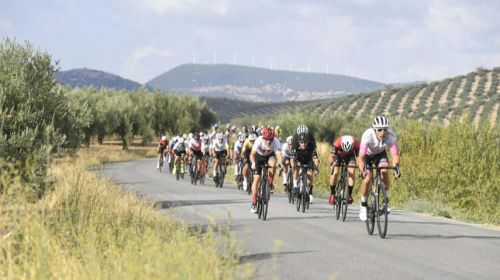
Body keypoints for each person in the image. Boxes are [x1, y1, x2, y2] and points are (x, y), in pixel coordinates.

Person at [357, 116, 401, 221]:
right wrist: (362, 170)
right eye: (379, 130)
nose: (382, 132)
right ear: (374, 130)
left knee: (385, 171)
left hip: (380, 155)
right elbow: (360, 157)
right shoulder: (367, 135)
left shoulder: (391, 136)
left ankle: (385, 200)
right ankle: (363, 206)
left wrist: (396, 168)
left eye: (385, 129)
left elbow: (395, 155)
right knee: (367, 179)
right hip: (367, 156)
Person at [249, 127, 282, 213]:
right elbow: (252, 154)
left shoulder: (276, 141)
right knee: (256, 179)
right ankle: (253, 201)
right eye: (266, 139)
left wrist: (280, 164)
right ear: (263, 137)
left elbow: (279, 155)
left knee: (273, 164)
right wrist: (253, 163)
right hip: (258, 158)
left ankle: (270, 183)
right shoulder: (259, 140)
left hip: (269, 156)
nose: (268, 141)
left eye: (270, 140)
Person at [290, 125, 319, 203]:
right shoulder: (295, 141)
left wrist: (316, 167)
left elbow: (315, 158)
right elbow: (292, 158)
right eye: (301, 142)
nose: (303, 144)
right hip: (298, 156)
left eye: (305, 142)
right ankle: (295, 185)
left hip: (309, 157)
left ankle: (307, 191)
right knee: (296, 169)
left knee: (310, 174)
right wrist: (293, 166)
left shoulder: (311, 142)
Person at [328, 135, 360, 205]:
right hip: (338, 156)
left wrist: (360, 167)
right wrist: (332, 162)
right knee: (335, 171)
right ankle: (332, 194)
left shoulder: (356, 143)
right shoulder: (338, 141)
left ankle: (349, 195)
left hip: (350, 157)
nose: (346, 151)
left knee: (352, 170)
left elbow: (358, 157)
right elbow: (331, 155)